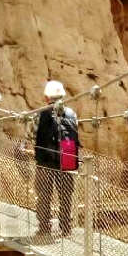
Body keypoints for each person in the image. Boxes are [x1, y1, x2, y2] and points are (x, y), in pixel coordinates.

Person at [32, 80, 80, 237]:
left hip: (45, 160)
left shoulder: (39, 114)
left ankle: (44, 227)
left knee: (44, 195)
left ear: (47, 97)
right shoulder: (72, 114)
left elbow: (32, 134)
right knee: (66, 195)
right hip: (67, 158)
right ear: (63, 96)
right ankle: (66, 228)